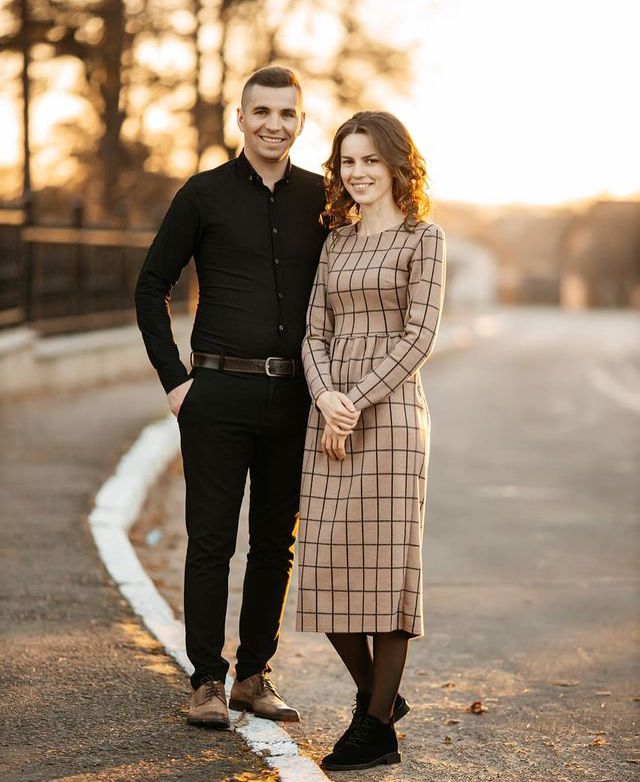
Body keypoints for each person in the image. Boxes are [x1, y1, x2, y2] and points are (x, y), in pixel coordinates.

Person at [135, 66, 327, 729]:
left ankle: (253, 676)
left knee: (276, 543)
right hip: (216, 394)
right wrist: (176, 382)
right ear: (241, 118)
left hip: (295, 397)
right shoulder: (203, 195)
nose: (275, 123)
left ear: (301, 122)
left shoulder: (321, 199)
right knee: (210, 541)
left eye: (288, 113)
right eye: (263, 112)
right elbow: (150, 285)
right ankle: (207, 682)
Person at [296, 111, 446, 770]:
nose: (356, 174)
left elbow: (419, 334)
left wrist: (354, 402)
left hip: (389, 421)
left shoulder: (424, 238)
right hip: (330, 417)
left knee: (387, 573)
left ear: (395, 166)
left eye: (368, 162)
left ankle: (375, 728)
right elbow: (313, 334)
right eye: (346, 162)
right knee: (325, 567)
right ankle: (378, 699)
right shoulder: (336, 242)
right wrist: (327, 397)